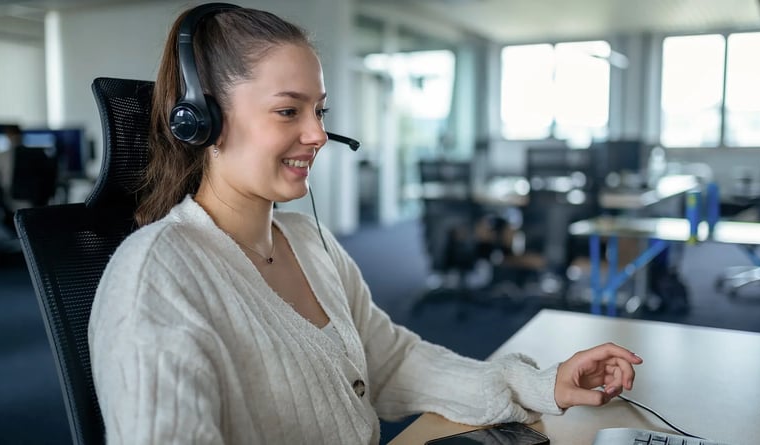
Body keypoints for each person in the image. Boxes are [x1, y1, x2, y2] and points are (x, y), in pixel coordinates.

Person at [88, 4, 643, 444]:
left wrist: (543, 383)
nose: (318, 134)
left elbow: (390, 360)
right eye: (289, 111)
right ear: (200, 121)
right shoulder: (157, 278)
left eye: (320, 111)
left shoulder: (309, 240)